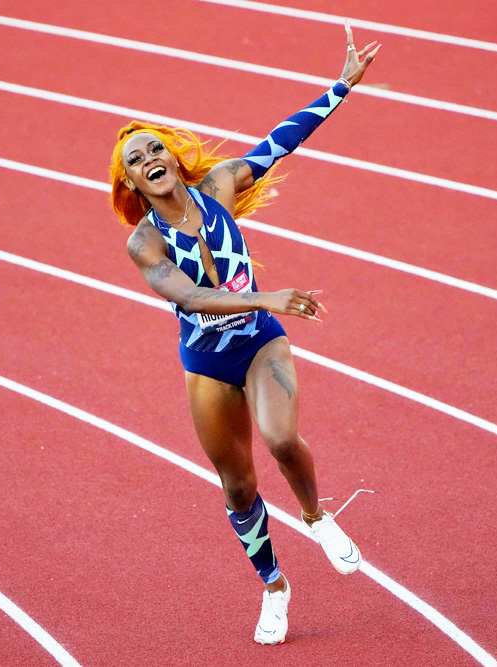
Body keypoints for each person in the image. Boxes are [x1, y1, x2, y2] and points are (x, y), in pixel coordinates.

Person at [110, 22, 380, 645]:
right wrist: (270, 293)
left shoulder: (223, 184)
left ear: (175, 159)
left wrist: (341, 86)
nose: (150, 161)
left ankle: (316, 517)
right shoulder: (143, 242)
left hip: (260, 341)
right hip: (206, 364)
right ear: (129, 182)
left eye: (155, 150)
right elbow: (192, 296)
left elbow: (280, 142)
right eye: (136, 161)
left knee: (283, 440)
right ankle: (275, 588)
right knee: (238, 485)